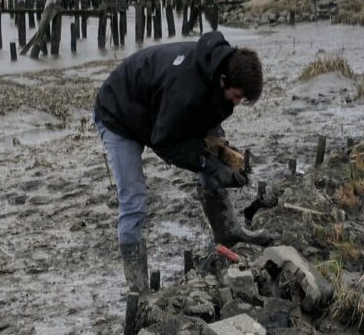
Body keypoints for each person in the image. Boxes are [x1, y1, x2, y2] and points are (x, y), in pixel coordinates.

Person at [94, 31, 273, 295]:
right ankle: (138, 288)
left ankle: (227, 232)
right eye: (236, 96)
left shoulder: (218, 74)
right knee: (134, 199)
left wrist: (222, 164)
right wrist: (207, 165)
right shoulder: (185, 90)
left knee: (214, 155)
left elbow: (205, 134)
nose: (237, 103)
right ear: (223, 80)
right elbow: (164, 143)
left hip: (158, 109)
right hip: (118, 113)